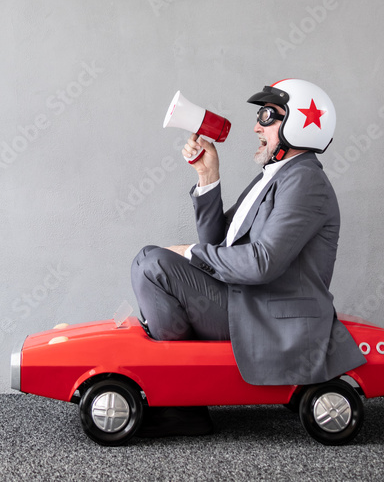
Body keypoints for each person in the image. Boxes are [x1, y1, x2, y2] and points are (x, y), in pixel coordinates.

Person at [130, 78, 366, 437]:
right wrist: (208, 176)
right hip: (246, 300)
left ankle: (182, 404)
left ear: (299, 122)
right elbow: (221, 246)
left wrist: (189, 253)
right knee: (150, 261)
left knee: (153, 264)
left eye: (267, 115)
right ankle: (183, 400)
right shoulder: (275, 177)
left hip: (265, 312)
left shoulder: (304, 181)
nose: (257, 125)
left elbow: (261, 263)